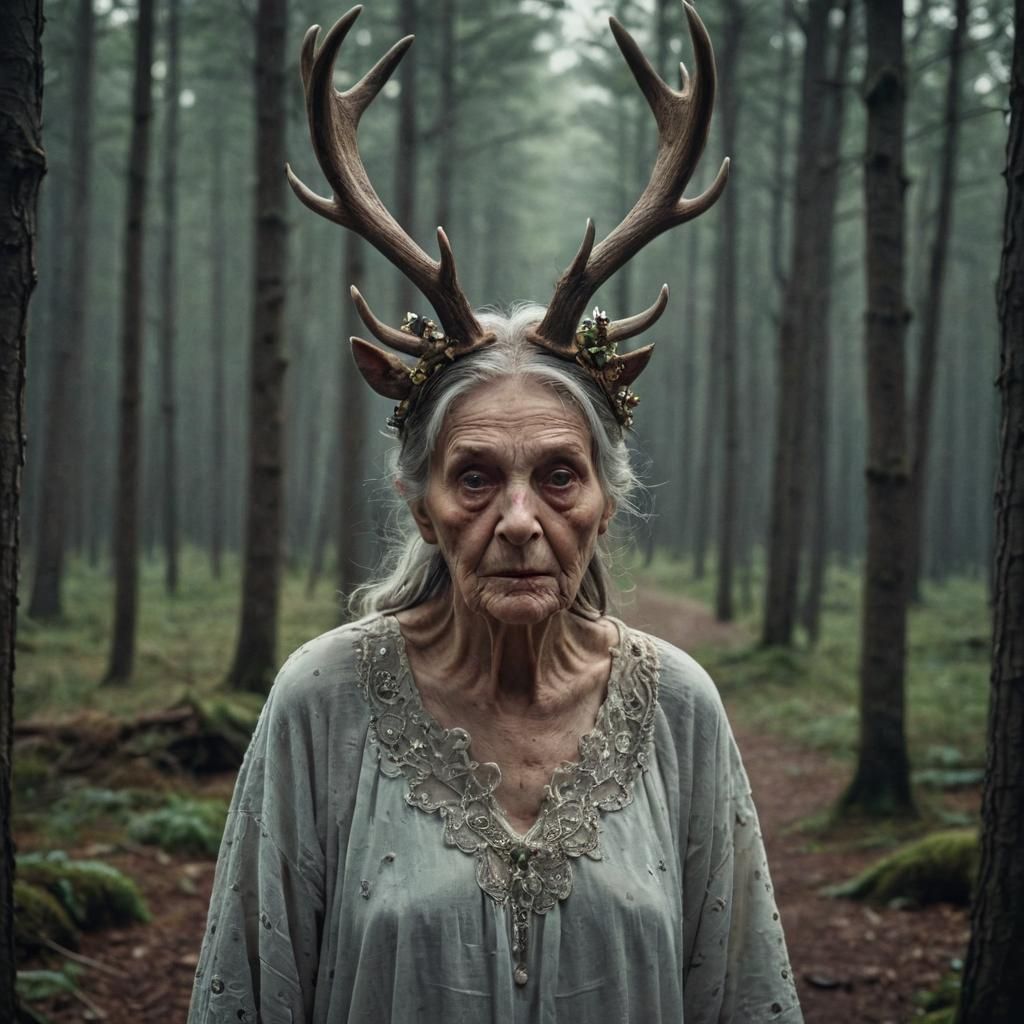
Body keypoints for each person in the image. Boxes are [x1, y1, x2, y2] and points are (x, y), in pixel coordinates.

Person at [188, 4, 802, 1022]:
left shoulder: (680, 707)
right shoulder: (322, 700)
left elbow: (740, 992)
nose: (519, 517)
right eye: (475, 478)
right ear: (420, 505)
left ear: (606, 503)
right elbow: (250, 991)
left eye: (559, 476)